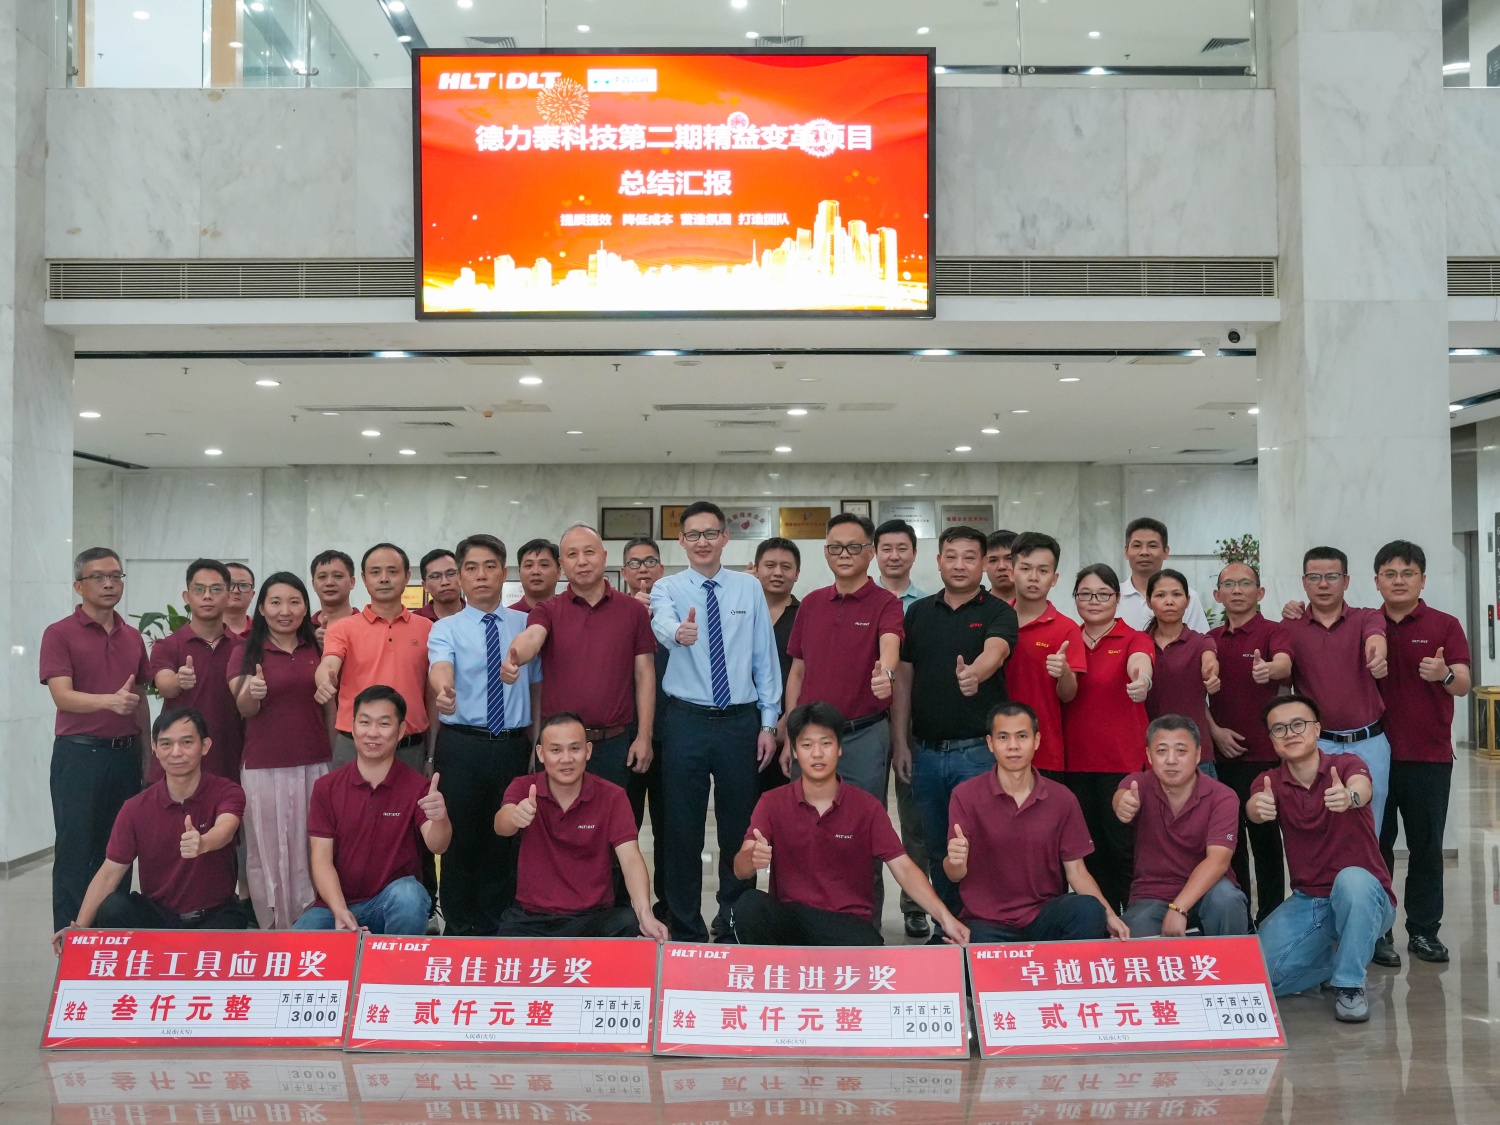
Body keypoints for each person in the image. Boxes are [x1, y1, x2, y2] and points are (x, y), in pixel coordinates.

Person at [649, 500, 783, 942]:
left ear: (725, 537)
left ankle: (733, 919)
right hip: (684, 721)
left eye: (710, 533)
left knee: (739, 828)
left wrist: (768, 723)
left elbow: (765, 659)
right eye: (693, 535)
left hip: (740, 723)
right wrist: (677, 633)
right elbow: (662, 623)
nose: (702, 542)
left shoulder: (748, 588)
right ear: (682, 541)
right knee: (681, 829)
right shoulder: (667, 588)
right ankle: (685, 925)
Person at [728, 702, 967, 946]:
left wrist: (945, 918)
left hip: (846, 924)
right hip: (792, 919)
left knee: (867, 941)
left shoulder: (866, 807)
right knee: (749, 906)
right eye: (807, 745)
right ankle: (775, 970)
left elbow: (903, 868)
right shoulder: (772, 802)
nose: (817, 753)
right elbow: (740, 869)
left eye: (826, 743)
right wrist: (750, 858)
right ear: (795, 751)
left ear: (840, 748)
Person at [892, 525, 1017, 916]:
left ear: (983, 564)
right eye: (951, 556)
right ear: (938, 561)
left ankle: (985, 925)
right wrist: (900, 743)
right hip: (926, 753)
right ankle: (947, 925)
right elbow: (904, 681)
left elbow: (996, 650)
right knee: (938, 848)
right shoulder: (918, 612)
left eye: (969, 557)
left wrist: (974, 673)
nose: (959, 565)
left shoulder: (998, 611)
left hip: (977, 754)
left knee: (981, 845)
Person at [1249, 695, 1395, 1023]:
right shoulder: (1270, 781)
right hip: (1309, 901)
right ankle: (1340, 960)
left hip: (1367, 898)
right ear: (1271, 739)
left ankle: (1349, 984)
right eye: (1279, 729)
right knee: (1261, 975)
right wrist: (1258, 808)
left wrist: (1350, 796)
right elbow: (1255, 804)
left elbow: (1362, 787)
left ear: (1317, 729)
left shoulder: (1345, 766)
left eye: (1298, 724)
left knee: (1352, 880)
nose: (1290, 733)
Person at [51, 708, 248, 951]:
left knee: (233, 925)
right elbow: (109, 873)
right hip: (160, 918)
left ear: (205, 746)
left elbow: (226, 827)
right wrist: (79, 928)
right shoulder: (135, 808)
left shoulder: (227, 791)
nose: (176, 752)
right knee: (113, 908)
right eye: (166, 744)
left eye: (187, 742)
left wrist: (204, 842)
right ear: (154, 748)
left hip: (215, 916)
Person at [1279, 545, 1392, 966]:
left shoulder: (1366, 617)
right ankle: (1322, 926)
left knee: (1369, 835)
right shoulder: (1291, 626)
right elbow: (1282, 666)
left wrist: (1378, 654)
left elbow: (1377, 639)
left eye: (1331, 577)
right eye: (1314, 577)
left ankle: (1373, 928)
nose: (1323, 584)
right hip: (1317, 745)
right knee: (1318, 835)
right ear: (1303, 581)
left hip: (1368, 742)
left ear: (1346, 581)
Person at [427, 533, 542, 936]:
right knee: (460, 838)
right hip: (462, 745)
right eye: (471, 568)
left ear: (503, 573)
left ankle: (499, 927)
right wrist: (444, 690)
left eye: (489, 567)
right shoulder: (446, 628)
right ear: (460, 576)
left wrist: (536, 744)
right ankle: (459, 927)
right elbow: (440, 666)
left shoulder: (526, 625)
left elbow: (536, 689)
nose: (481, 575)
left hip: (512, 746)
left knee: (506, 839)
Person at [944, 702, 1127, 943]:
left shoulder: (1062, 798)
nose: (1013, 746)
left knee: (1089, 910)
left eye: (1022, 736)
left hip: (1044, 916)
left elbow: (1077, 871)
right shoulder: (965, 795)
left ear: (1037, 740)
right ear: (990, 743)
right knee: (972, 942)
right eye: (1003, 737)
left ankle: (1061, 968)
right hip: (987, 922)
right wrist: (955, 861)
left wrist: (1109, 915)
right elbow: (955, 874)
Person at [41, 547, 152, 934]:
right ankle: (70, 940)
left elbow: (139, 699)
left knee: (119, 851)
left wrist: (147, 754)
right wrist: (109, 702)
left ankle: (111, 939)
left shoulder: (133, 637)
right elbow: (62, 696)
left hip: (125, 756)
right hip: (79, 756)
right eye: (99, 577)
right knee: (75, 851)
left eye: (116, 576)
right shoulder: (59, 633)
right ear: (79, 586)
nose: (109, 584)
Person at [1372, 540, 1471, 963]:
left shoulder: (1445, 624)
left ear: (1422, 580)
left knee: (1426, 848)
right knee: (1375, 848)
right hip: (1373, 756)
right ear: (1377, 580)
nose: (1399, 580)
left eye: (1408, 573)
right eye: (1390, 573)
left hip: (1428, 757)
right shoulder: (1365, 624)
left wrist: (1444, 673)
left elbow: (1463, 683)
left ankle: (1424, 931)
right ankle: (1377, 931)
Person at [493, 713, 670, 940]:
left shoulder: (612, 796)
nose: (566, 759)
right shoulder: (523, 787)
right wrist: (515, 816)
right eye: (556, 750)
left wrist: (644, 912)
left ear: (588, 751)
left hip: (593, 920)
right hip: (532, 919)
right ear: (541, 754)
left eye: (574, 749)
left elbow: (630, 858)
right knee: (505, 938)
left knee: (630, 923)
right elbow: (501, 824)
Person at [508, 524, 656, 793]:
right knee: (554, 817)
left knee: (617, 817)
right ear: (563, 565)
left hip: (614, 744)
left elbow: (644, 674)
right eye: (572, 555)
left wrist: (644, 736)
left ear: (604, 556)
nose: (582, 561)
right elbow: (533, 636)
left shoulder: (633, 610)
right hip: (559, 746)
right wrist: (515, 656)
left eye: (589, 552)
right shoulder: (547, 609)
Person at [296, 686, 452, 935]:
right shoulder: (326, 787)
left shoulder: (417, 786)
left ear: (400, 730)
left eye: (384, 724)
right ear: (352, 727)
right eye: (365, 722)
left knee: (410, 897)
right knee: (300, 937)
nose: (372, 733)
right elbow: (321, 859)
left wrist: (440, 818)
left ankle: (397, 961)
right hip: (337, 906)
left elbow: (438, 846)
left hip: (391, 903)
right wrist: (340, 911)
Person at [229, 572, 334, 929]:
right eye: (275, 602)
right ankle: (273, 929)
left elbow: (330, 710)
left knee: (311, 848)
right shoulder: (245, 651)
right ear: (261, 608)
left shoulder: (318, 650)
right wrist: (252, 693)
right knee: (268, 851)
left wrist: (333, 762)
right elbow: (243, 708)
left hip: (315, 764)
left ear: (305, 608)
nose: (284, 611)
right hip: (264, 767)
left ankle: (312, 925)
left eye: (294, 602)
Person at [1061, 563, 1154, 913]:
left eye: (1103, 594)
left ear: (1117, 598)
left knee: (1124, 849)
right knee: (1089, 851)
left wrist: (1142, 681)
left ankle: (1137, 921)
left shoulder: (1133, 638)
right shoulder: (1067, 639)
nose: (1094, 601)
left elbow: (1140, 663)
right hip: (1075, 765)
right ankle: (1103, 922)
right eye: (1085, 594)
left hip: (1121, 764)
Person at [1207, 562, 1293, 924]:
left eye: (1245, 583)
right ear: (1217, 595)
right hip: (1221, 758)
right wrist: (1214, 731)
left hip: (1264, 758)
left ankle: (1271, 919)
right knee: (1230, 845)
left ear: (1260, 592)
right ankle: (1238, 920)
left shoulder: (1274, 632)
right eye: (1229, 584)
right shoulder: (1209, 639)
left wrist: (1268, 669)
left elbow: (1284, 665)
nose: (1237, 590)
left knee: (1267, 842)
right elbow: (1194, 695)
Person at [1114, 715, 1249, 937]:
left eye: (1181, 751)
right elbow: (1123, 794)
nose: (1171, 760)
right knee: (1131, 935)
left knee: (1227, 900)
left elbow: (1218, 860)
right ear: (1149, 755)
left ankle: (1233, 960)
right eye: (1161, 751)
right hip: (1152, 894)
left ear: (1198, 754)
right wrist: (1122, 804)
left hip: (1209, 891)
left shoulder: (1222, 796)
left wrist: (1179, 908)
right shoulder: (1139, 785)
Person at [316, 542, 434, 772]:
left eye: (392, 571)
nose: (384, 579)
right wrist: (324, 681)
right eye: (375, 572)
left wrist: (430, 756)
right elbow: (329, 663)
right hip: (355, 746)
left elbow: (431, 693)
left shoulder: (427, 628)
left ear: (407, 576)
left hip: (409, 748)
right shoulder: (343, 628)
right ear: (363, 578)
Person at [872, 518, 932, 938]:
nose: (894, 556)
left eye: (902, 548)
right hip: (865, 723)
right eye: (886, 548)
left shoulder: (927, 606)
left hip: (915, 721)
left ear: (914, 553)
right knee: (863, 815)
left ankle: (916, 905)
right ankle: (862, 902)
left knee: (916, 821)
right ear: (874, 553)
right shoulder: (860, 601)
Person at [150, 559, 244, 782]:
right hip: (177, 764)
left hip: (229, 760)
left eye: (216, 589)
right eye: (199, 590)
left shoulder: (243, 648)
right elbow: (164, 685)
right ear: (187, 596)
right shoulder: (167, 646)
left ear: (228, 596)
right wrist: (178, 681)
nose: (207, 596)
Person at [1005, 533, 1087, 779]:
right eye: (1025, 568)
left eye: (1043, 571)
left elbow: (1069, 694)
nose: (1033, 577)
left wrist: (1064, 672)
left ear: (1054, 578)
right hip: (994, 749)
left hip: (1045, 750)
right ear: (1011, 572)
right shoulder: (995, 621)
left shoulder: (1067, 628)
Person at [621, 536, 668, 901]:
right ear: (624, 572)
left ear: (661, 569)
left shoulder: (680, 611)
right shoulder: (615, 614)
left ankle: (669, 906)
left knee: (672, 828)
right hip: (625, 737)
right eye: (634, 563)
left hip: (672, 733)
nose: (643, 569)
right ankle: (623, 907)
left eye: (650, 561)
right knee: (624, 826)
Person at [1142, 568, 1220, 777]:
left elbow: (1210, 660)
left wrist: (1211, 674)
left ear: (1187, 601)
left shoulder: (1201, 641)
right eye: (1160, 595)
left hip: (1195, 756)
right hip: (1148, 754)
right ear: (1149, 602)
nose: (1169, 601)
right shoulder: (1138, 643)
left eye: (1176, 594)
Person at [751, 537, 801, 795]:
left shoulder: (805, 616)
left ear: (797, 573)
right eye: (770, 565)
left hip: (788, 731)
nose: (778, 573)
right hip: (741, 726)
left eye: (786, 566)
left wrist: (787, 724)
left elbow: (806, 675)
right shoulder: (739, 613)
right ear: (756, 568)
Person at [1116, 518, 1210, 632]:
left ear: (1166, 551)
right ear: (1126, 552)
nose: (1144, 552)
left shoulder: (1187, 596)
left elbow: (1200, 640)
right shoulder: (1112, 596)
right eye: (1137, 545)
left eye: (1152, 546)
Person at [310, 549, 357, 644]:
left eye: (338, 576)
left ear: (352, 582)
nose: (329, 583)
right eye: (322, 577)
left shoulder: (367, 626)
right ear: (313, 584)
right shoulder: (303, 629)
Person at [415, 549, 465, 621]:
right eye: (436, 576)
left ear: (461, 577)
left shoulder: (479, 616)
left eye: (451, 574)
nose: (445, 582)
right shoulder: (414, 622)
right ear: (425, 586)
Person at [512, 538, 561, 612]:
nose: (535, 571)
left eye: (544, 565)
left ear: (558, 572)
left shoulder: (572, 613)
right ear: (519, 573)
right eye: (529, 565)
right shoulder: (506, 616)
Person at [984, 529, 1018, 602]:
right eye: (993, 560)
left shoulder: (1039, 606)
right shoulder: (973, 607)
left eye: (1009, 558)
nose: (1001, 567)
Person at [224, 563, 256, 638]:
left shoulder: (264, 633)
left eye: (243, 585)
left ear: (252, 594)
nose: (236, 591)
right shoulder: (201, 631)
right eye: (230, 584)